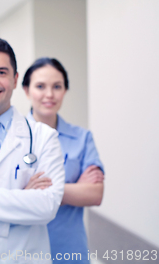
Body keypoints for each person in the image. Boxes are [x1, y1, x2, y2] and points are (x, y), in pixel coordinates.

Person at [0, 37, 65, 263]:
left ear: (15, 79)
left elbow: (47, 206)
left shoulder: (43, 137)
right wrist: (23, 197)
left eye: (1, 72)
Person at [22, 57, 104, 263]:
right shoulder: (13, 137)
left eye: (57, 86)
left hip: (70, 250)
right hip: (23, 250)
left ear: (65, 91)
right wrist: (73, 189)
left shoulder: (82, 138)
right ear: (26, 90)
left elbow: (95, 194)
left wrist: (38, 191)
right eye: (40, 86)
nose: (49, 94)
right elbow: (1, 194)